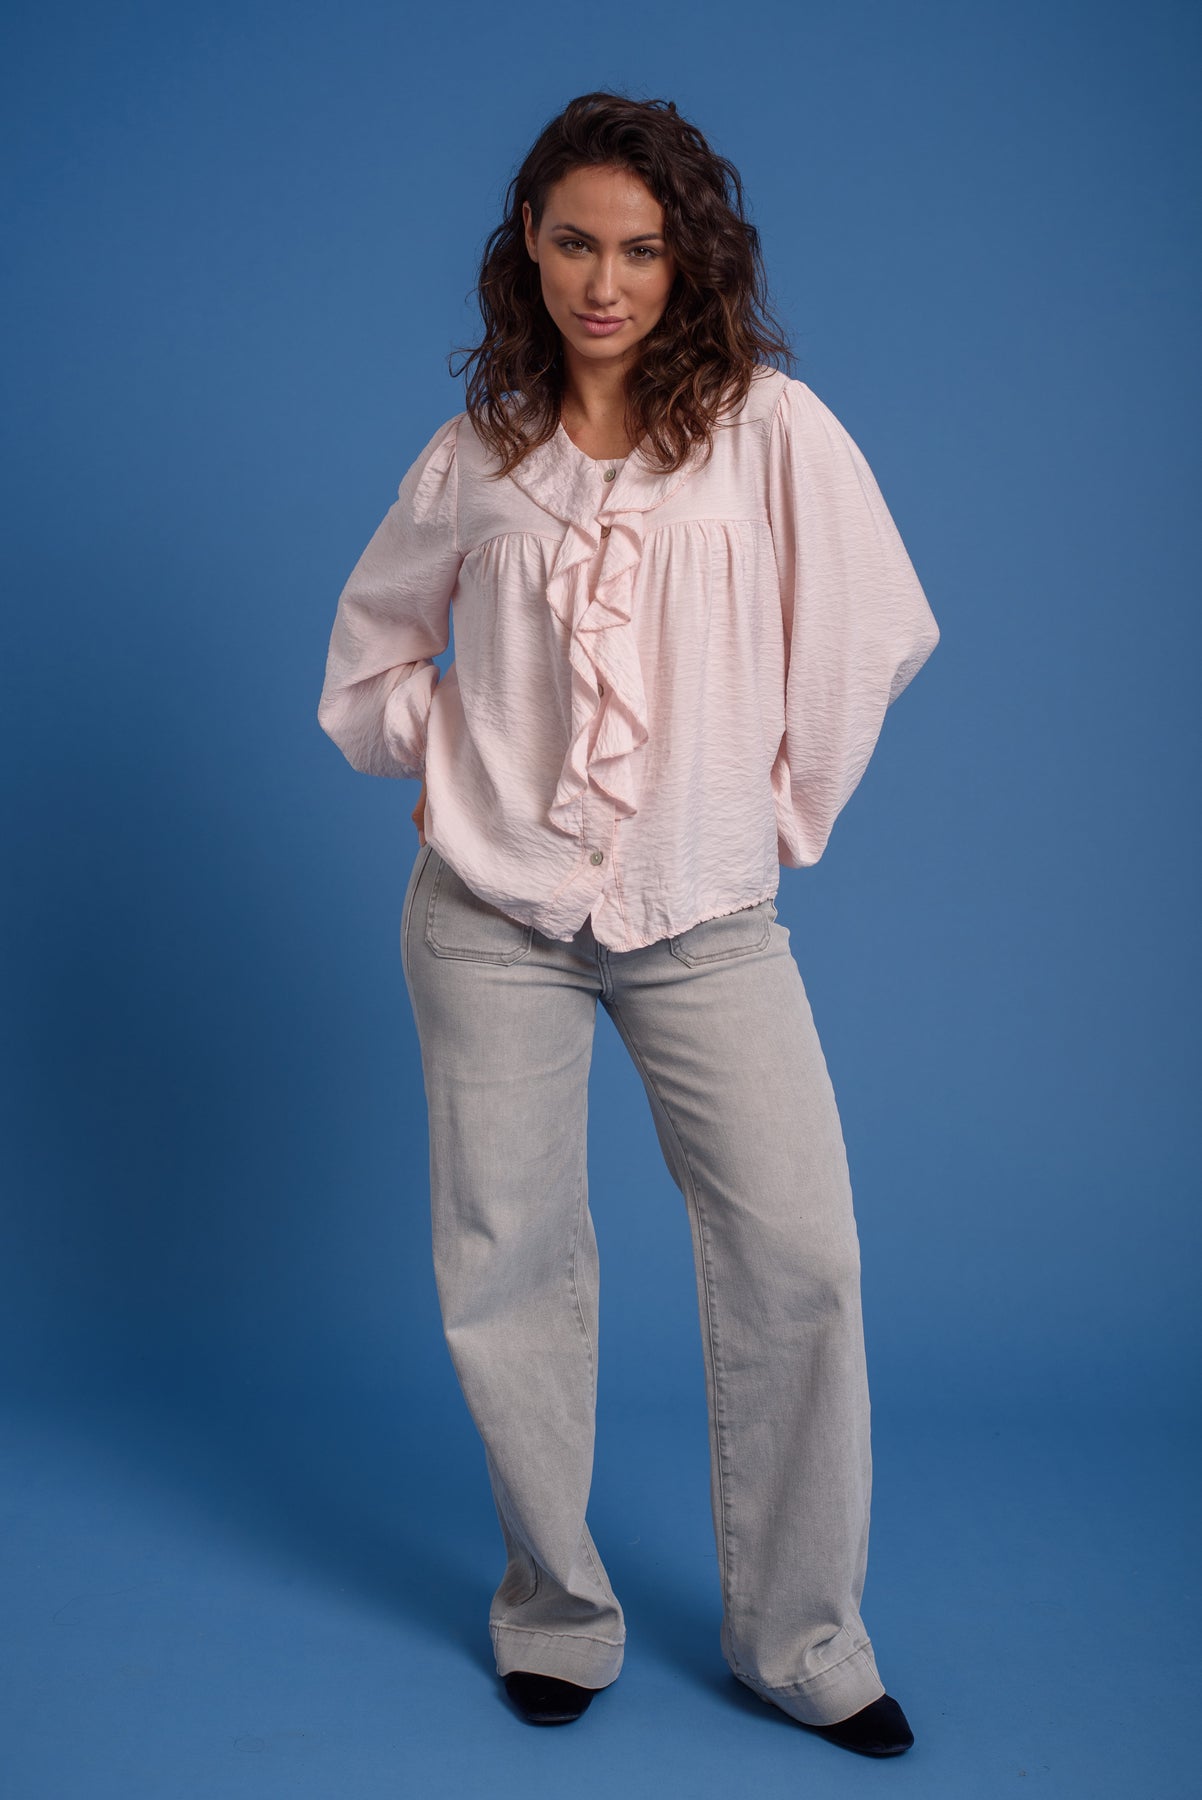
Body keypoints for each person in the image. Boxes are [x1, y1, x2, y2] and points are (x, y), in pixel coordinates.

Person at [317, 91, 939, 1757]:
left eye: (643, 249)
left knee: (800, 1256)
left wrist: (768, 804)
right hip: (488, 917)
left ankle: (801, 1639)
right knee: (507, 1264)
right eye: (576, 243)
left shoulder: (767, 431)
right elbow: (369, 666)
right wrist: (447, 753)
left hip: (701, 915)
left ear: (688, 261)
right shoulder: (476, 454)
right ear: (527, 250)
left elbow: (874, 627)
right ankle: (555, 1614)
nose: (607, 282)